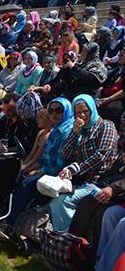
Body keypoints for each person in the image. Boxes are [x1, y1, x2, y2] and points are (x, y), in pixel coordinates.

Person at [49, 94, 119, 231]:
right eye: (78, 112)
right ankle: (62, 235)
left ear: (92, 109)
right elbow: (64, 154)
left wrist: (74, 170)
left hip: (99, 181)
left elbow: (101, 156)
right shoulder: (82, 130)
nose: (81, 115)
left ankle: (68, 236)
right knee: (52, 197)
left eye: (85, 111)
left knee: (62, 202)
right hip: (81, 181)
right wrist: (75, 133)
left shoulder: (106, 126)